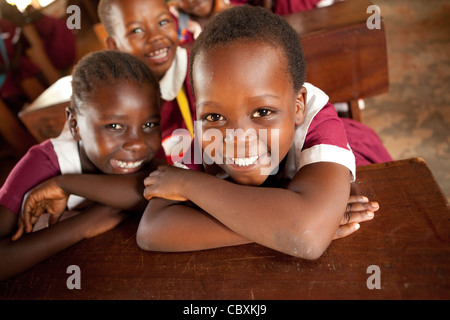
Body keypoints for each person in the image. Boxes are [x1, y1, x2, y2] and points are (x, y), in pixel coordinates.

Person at [136, 6, 380, 259]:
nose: (238, 138)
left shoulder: (316, 119)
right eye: (215, 116)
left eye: (263, 112)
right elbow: (152, 230)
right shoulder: (210, 135)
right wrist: (285, 226)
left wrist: (190, 184)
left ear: (298, 106)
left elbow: (308, 236)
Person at [0, 50, 162, 280]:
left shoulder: (141, 153)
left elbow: (158, 190)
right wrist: (84, 225)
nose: (137, 144)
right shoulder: (43, 163)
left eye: (149, 124)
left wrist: (66, 184)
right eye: (115, 126)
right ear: (75, 126)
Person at [98, 0, 196, 163]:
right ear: (114, 45)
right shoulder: (114, 101)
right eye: (136, 30)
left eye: (163, 22)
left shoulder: (201, 69)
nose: (156, 36)